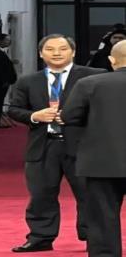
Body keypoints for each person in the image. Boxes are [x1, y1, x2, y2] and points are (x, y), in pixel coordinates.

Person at [7, 34, 105, 253]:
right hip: (43, 145)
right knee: (40, 194)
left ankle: (93, 237)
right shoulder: (27, 81)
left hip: (82, 146)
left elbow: (103, 108)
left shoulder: (94, 76)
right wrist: (35, 116)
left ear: (73, 52)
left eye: (62, 49)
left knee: (89, 194)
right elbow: (13, 109)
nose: (57, 53)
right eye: (50, 49)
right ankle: (40, 237)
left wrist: (75, 117)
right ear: (41, 54)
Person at [61, 40, 126, 257]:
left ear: (112, 60)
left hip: (101, 161)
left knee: (102, 215)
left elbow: (68, 117)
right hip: (103, 161)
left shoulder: (89, 83)